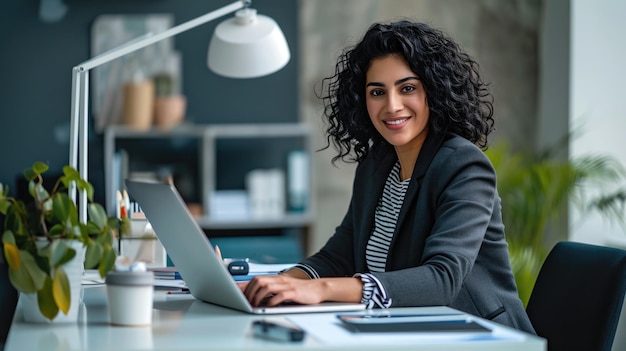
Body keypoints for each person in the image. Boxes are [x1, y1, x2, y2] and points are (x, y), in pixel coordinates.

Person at [241, 20, 535, 334]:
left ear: (433, 91)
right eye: (377, 92)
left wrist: (322, 290)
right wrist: (280, 284)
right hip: (405, 331)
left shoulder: (463, 166)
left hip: (478, 336)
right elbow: (338, 256)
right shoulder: (377, 165)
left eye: (407, 88)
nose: (392, 106)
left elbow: (442, 279)